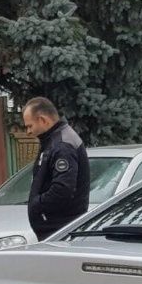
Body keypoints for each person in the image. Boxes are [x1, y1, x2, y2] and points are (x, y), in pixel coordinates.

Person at [22, 97, 90, 240]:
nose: (28, 131)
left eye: (29, 126)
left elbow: (62, 190)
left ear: (43, 120)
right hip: (56, 229)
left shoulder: (62, 145)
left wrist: (37, 204)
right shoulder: (53, 141)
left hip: (61, 231)